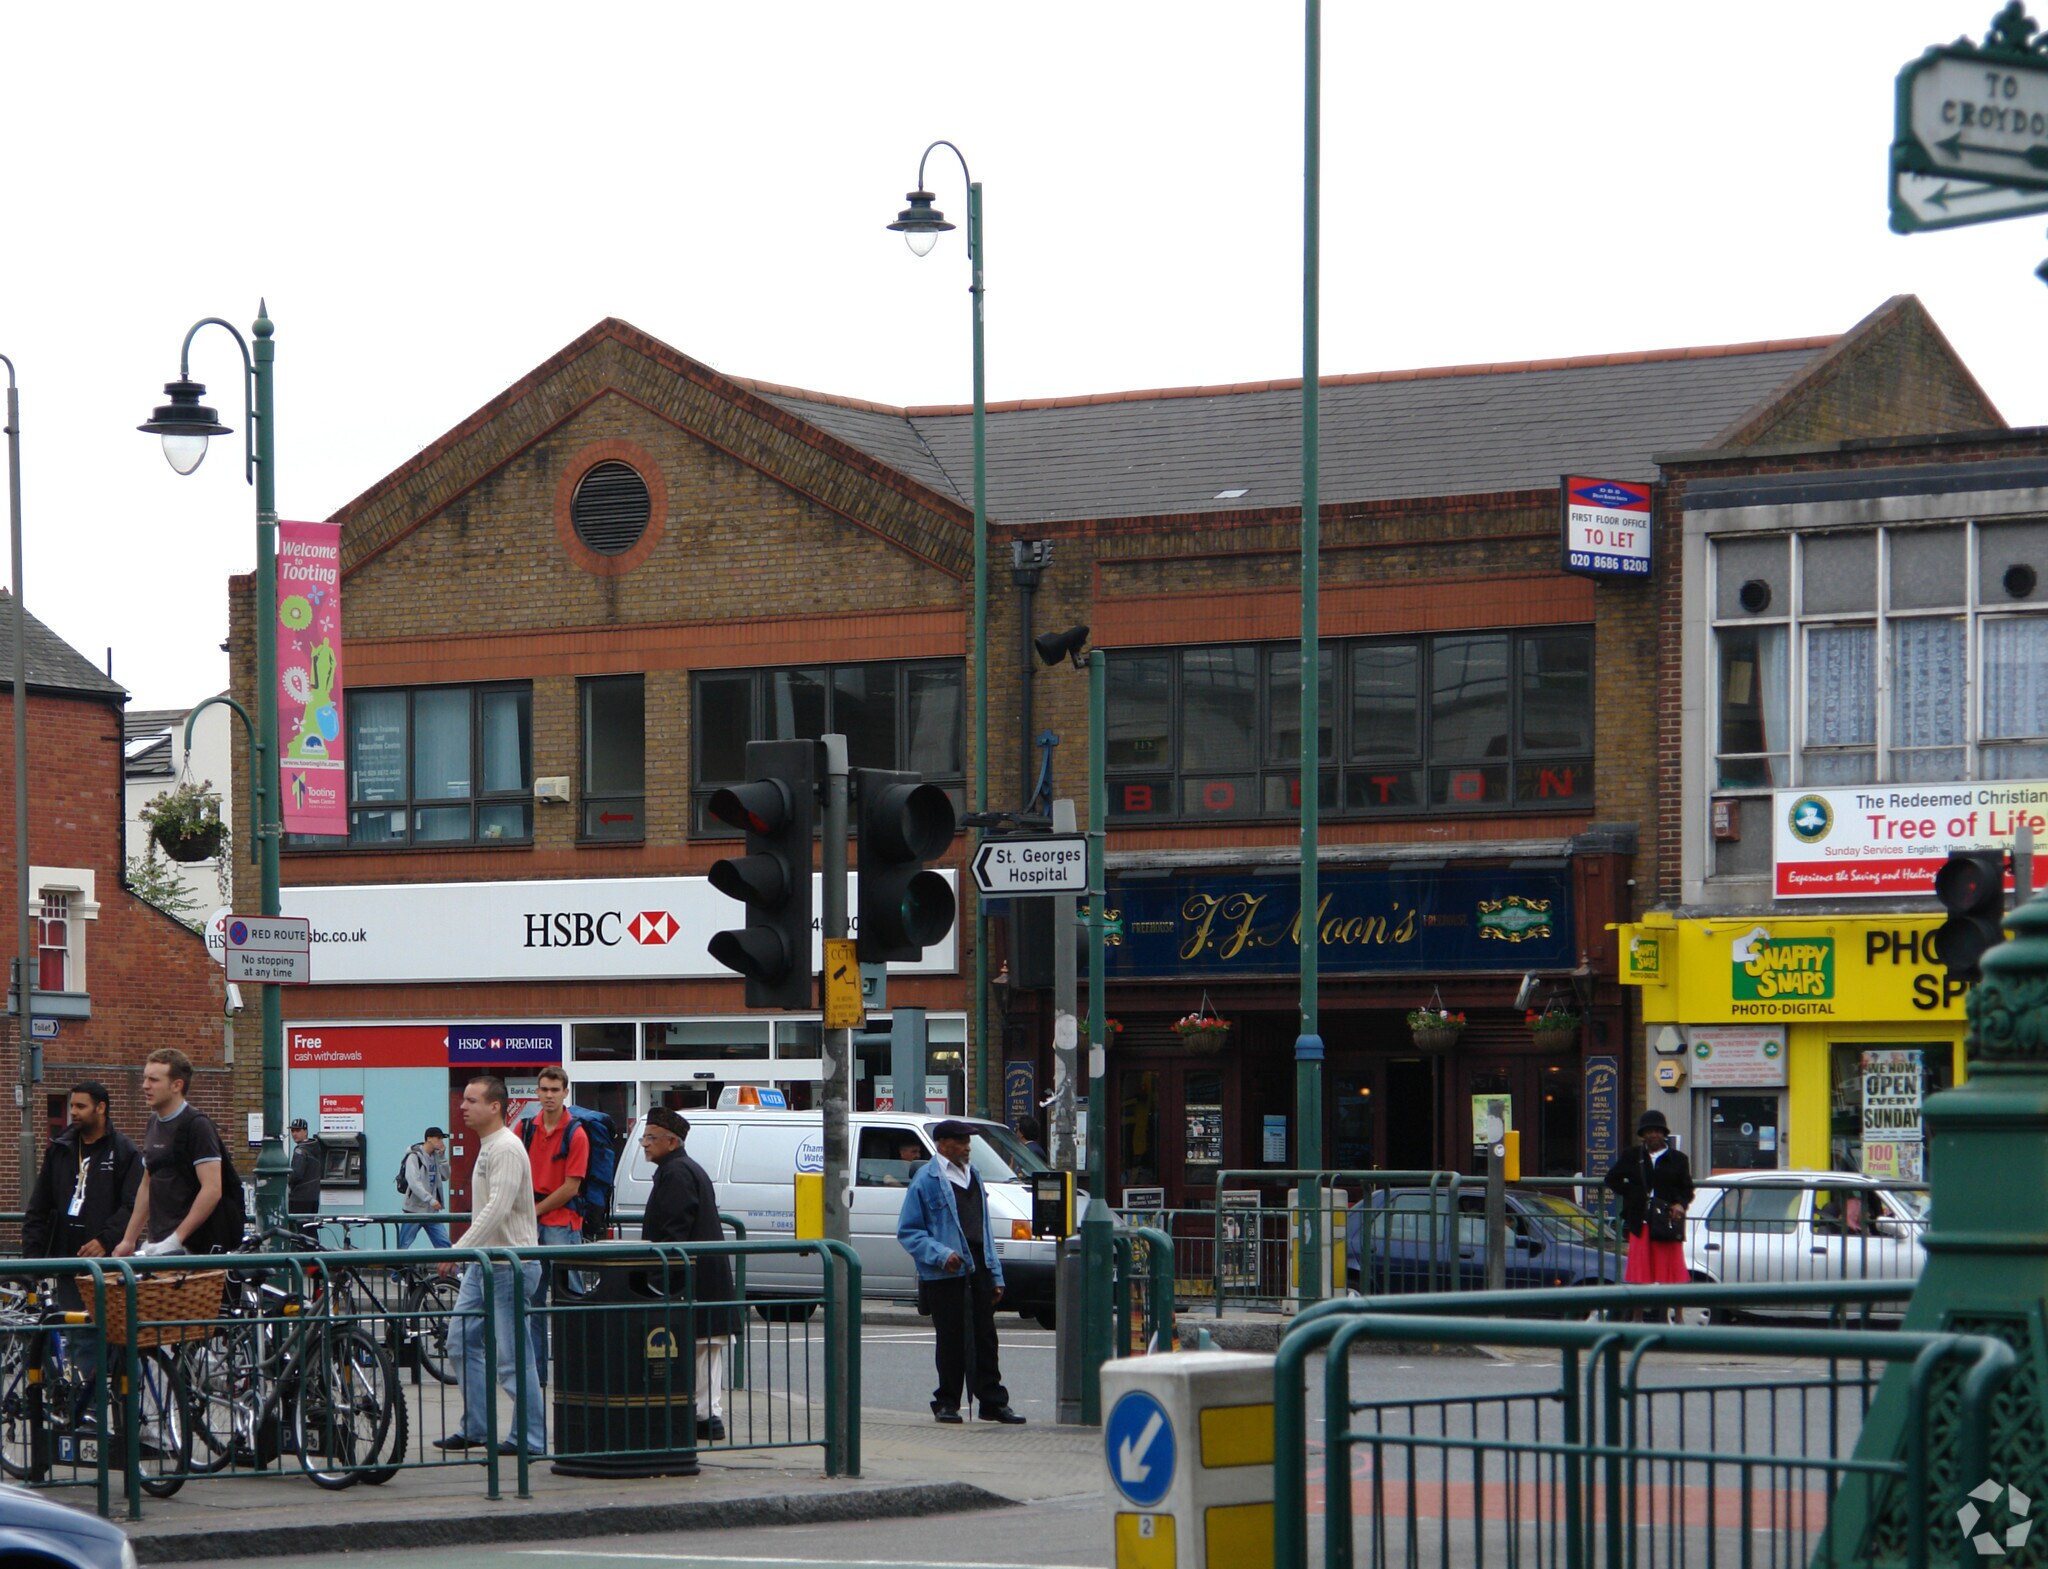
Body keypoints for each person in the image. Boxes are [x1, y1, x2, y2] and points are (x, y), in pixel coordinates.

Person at [433, 1074, 545, 1457]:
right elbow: (491, 1210)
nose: (463, 1106)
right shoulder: (490, 1147)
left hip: (509, 1263)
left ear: (495, 1106)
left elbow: (497, 1208)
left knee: (513, 1358)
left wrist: (458, 1250)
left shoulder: (506, 1148)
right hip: (487, 1261)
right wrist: (468, 1253)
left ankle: (529, 1439)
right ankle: (477, 1427)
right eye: (464, 1099)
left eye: (472, 1100)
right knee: (460, 1341)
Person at [896, 1119, 1025, 1425]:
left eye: (968, 1142)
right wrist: (942, 1255)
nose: (968, 1147)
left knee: (985, 1337)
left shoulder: (974, 1175)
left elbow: (984, 1229)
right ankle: (947, 1402)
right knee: (951, 1338)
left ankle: (992, 1402)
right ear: (943, 1144)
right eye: (961, 1142)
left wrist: (995, 1274)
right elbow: (909, 1232)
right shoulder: (926, 1180)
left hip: (977, 1263)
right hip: (945, 1270)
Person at [25, 1081, 144, 1407]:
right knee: (81, 1338)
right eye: (71, 1106)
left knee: (120, 1340)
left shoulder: (124, 1151)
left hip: (110, 1265)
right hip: (70, 1262)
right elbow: (39, 1207)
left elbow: (133, 1204)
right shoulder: (60, 1149)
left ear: (101, 1108)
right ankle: (87, 1413)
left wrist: (106, 1239)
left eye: (80, 1106)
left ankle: (125, 1414)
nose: (73, 1113)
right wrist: (31, 1261)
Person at [640, 1108, 739, 1441]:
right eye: (644, 1137)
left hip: (693, 1280)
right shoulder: (684, 1169)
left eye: (651, 1137)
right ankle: (707, 1417)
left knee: (698, 1349)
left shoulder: (676, 1173)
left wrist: (658, 1282)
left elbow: (674, 1233)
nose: (644, 1143)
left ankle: (702, 1417)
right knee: (705, 1351)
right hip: (704, 1277)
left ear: (672, 1141)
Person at [115, 1048, 225, 1259]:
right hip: (158, 1243)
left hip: (191, 1247)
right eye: (145, 1078)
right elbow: (147, 1183)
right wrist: (128, 1239)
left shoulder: (197, 1125)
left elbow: (212, 1189)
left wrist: (176, 1239)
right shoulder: (153, 1122)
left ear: (177, 1085)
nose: (145, 1085)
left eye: (154, 1080)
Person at [521, 1065, 590, 1377]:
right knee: (532, 1300)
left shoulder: (576, 1133)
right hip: (533, 1220)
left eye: (554, 1090)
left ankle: (574, 1372)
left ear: (565, 1093)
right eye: (544, 1089)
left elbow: (571, 1187)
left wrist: (533, 1211)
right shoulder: (525, 1129)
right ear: (537, 1092)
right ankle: (537, 1375)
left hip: (561, 1221)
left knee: (570, 1300)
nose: (549, 1095)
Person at [1604, 1108, 1696, 1322]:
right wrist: (1634, 1193)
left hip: (1667, 1221)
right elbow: (1612, 1179)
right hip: (1641, 1221)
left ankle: (1677, 1317)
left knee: (1673, 1273)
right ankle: (1638, 1318)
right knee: (1640, 1273)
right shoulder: (1632, 1156)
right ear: (1643, 1134)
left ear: (1664, 1133)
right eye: (1649, 1131)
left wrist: (1680, 1204)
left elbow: (1687, 1188)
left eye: (1657, 1131)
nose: (1653, 1135)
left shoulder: (1678, 1159)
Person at [398, 1127, 451, 1250]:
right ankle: (398, 1264)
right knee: (404, 1245)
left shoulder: (436, 1156)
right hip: (414, 1210)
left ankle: (451, 1264)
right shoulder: (414, 1156)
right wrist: (430, 1199)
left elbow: (445, 1176)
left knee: (444, 1245)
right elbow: (414, 1182)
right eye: (438, 1138)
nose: (441, 1141)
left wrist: (442, 1157)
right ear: (429, 1138)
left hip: (431, 1211)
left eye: (442, 1139)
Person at [287, 1118, 324, 1237]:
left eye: (298, 1130)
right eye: (292, 1131)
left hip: (299, 1198)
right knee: (311, 1230)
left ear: (305, 1131)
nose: (294, 1134)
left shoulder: (300, 1151)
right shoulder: (315, 1147)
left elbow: (296, 1174)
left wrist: (288, 1182)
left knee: (299, 1233)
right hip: (313, 1197)